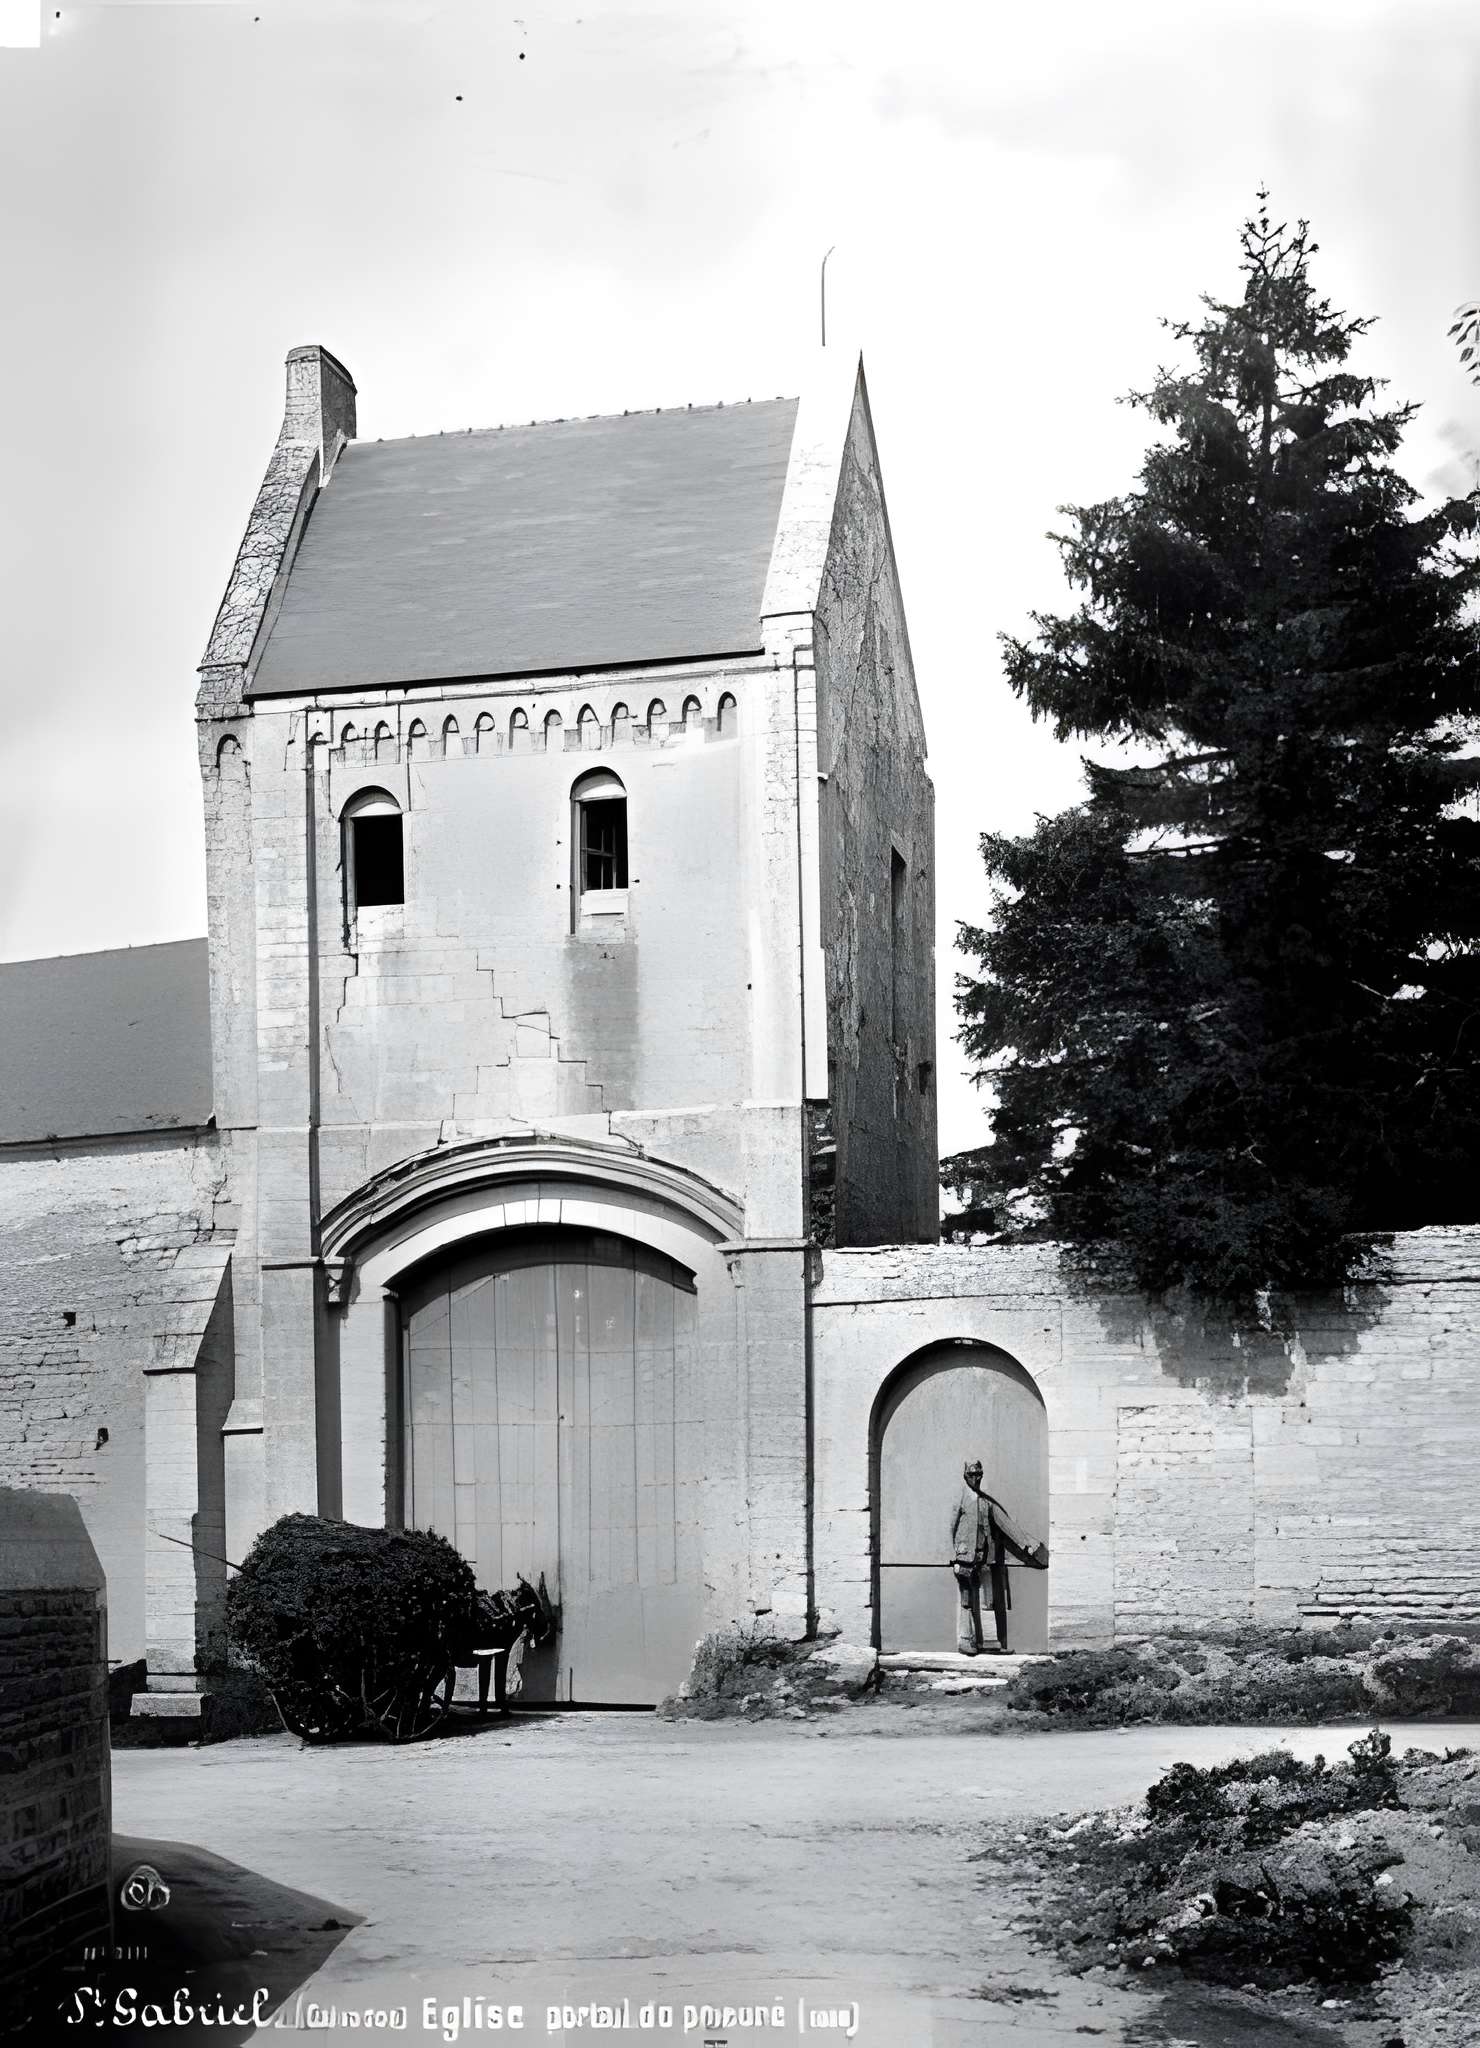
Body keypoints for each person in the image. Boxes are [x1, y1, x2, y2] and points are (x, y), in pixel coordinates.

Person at [949, 1458, 1049, 1655]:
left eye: (978, 1475)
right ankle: (965, 1640)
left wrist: (1028, 1546)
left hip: (984, 1558)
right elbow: (950, 1527)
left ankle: (990, 1642)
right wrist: (954, 1554)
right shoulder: (960, 1499)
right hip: (964, 1558)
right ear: (965, 1476)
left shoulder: (987, 1503)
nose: (975, 1479)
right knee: (967, 1600)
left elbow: (1007, 1525)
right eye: (971, 1475)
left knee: (988, 1600)